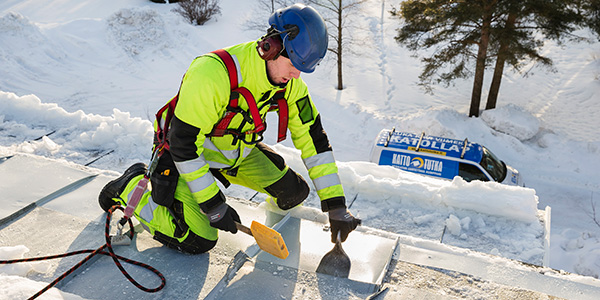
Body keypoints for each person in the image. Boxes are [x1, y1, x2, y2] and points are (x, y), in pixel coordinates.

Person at [98, 3, 360, 254]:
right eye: (293, 65)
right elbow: (184, 145)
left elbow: (315, 142)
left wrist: (336, 205)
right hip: (186, 156)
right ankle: (131, 187)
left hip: (236, 153)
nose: (296, 76)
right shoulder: (213, 73)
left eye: (302, 69)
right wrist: (212, 203)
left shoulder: (290, 85)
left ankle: (210, 188)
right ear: (271, 47)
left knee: (294, 193)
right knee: (200, 239)